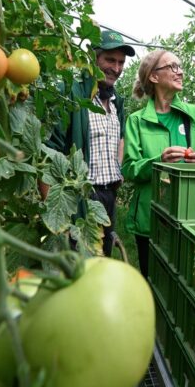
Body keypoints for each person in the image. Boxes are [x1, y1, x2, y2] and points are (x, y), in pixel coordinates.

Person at [122, 50, 195, 277]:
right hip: (150, 216)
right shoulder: (137, 121)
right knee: (153, 279)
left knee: (186, 279)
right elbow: (129, 168)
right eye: (172, 67)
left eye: (180, 66)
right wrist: (159, 162)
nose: (180, 71)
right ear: (154, 77)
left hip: (190, 214)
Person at [46, 30, 135, 256]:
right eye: (110, 60)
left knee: (103, 258)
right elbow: (50, 150)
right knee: (79, 258)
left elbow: (120, 136)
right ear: (93, 59)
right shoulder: (71, 94)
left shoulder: (117, 103)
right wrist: (51, 211)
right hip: (81, 197)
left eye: (121, 62)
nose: (116, 68)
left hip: (109, 196)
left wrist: (118, 168)